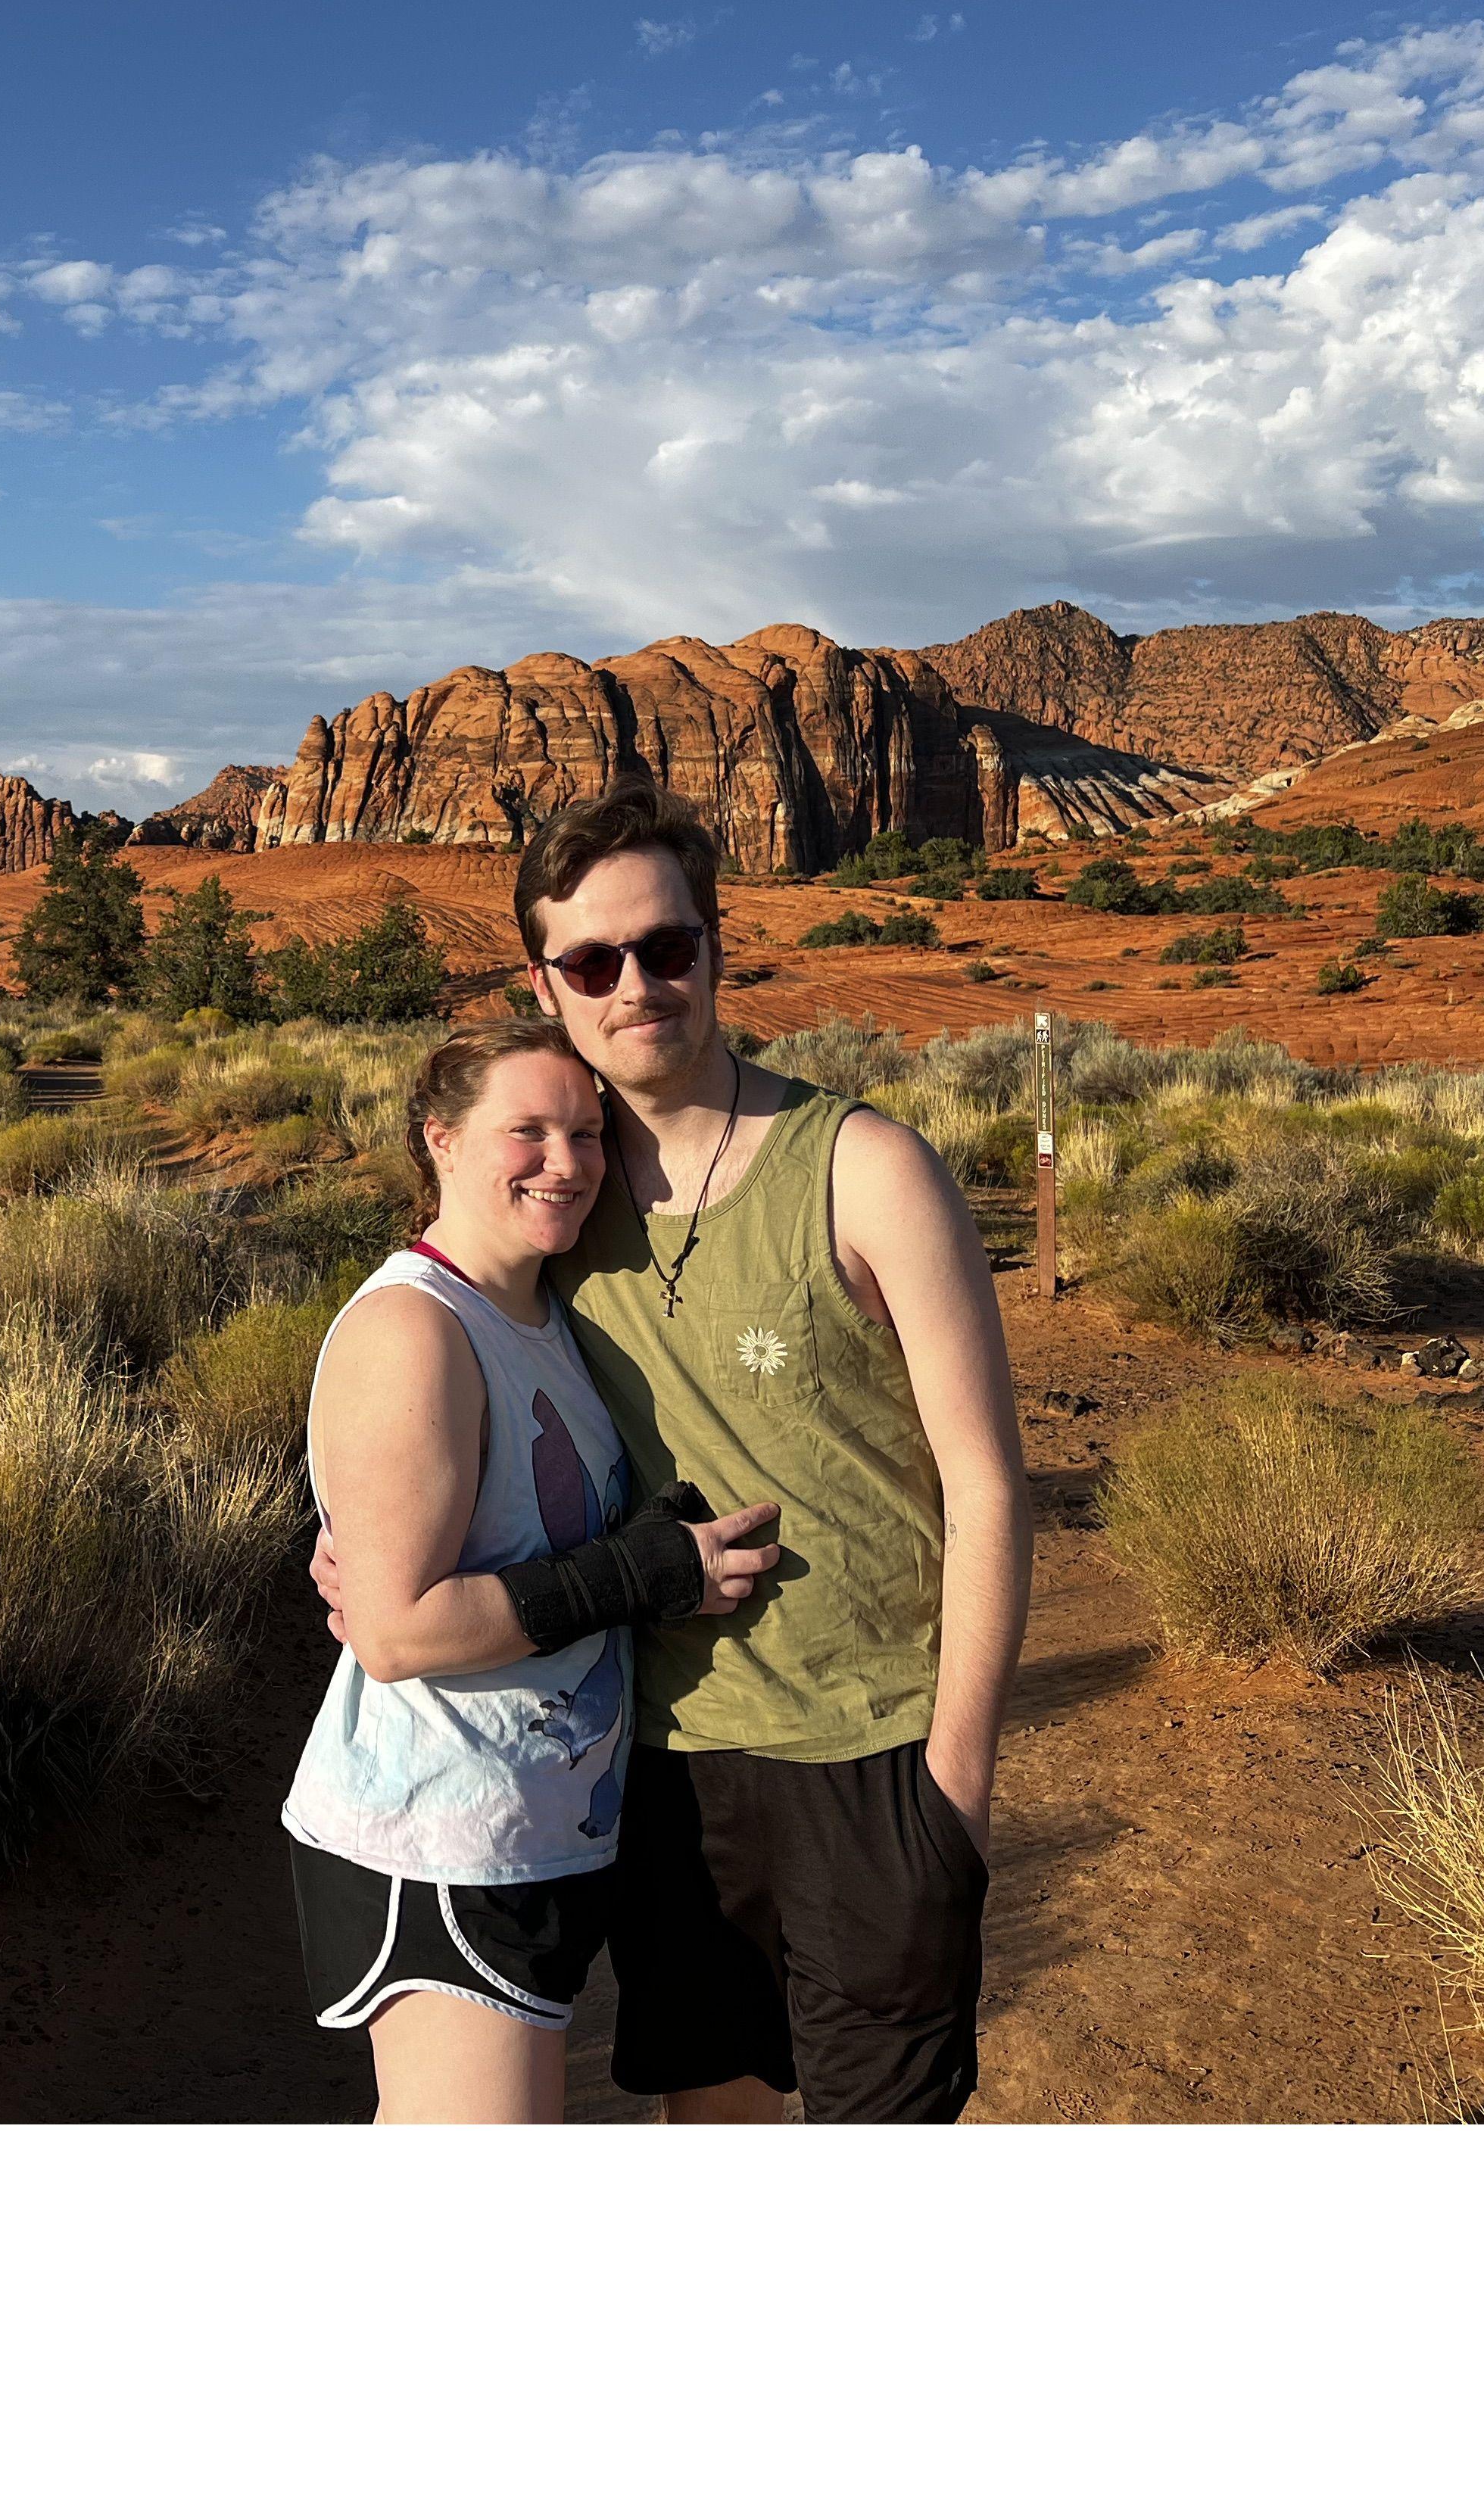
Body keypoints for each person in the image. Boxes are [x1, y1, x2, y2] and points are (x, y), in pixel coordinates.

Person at [316, 781, 1030, 2123]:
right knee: (712, 2124)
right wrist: (374, 1523)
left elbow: (989, 1484)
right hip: (662, 1765)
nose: (635, 983)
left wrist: (958, 1786)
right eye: (593, 960)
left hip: (874, 1754)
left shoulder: (865, 1167)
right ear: (549, 982)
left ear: (716, 943)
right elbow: (442, 1367)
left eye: (667, 946)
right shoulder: (558, 1201)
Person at [282, 1014, 782, 2124]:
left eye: (589, 1133)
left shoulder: (545, 1315)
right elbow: (400, 1630)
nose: (568, 1163)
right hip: (443, 1838)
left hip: (540, 1821)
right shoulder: (415, 1328)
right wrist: (642, 1573)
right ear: (444, 1141)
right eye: (529, 1132)